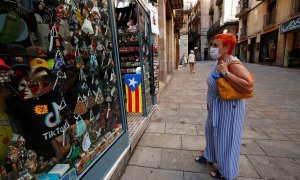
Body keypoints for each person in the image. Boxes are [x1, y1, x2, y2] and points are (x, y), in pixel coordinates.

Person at [194, 33, 254, 180]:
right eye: (212, 44)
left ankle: (227, 172)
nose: (212, 48)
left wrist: (226, 73)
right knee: (211, 132)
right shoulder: (220, 61)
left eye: (216, 45)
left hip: (229, 108)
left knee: (228, 139)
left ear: (227, 47)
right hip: (216, 107)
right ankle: (210, 155)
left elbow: (249, 85)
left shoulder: (233, 63)